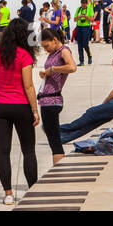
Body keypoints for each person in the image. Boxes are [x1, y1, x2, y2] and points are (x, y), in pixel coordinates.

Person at [0, 18, 40, 205]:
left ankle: (8, 194)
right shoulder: (24, 55)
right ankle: (33, 190)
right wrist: (34, 110)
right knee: (28, 151)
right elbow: (29, 85)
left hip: (0, 107)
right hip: (21, 106)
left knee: (3, 151)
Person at [59, 41, 113, 143]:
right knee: (96, 121)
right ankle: (64, 138)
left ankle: (58, 130)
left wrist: (104, 103)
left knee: (91, 112)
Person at [36, 27, 76, 167]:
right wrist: (46, 73)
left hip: (52, 101)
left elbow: (72, 67)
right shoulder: (54, 52)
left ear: (55, 40)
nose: (46, 49)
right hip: (47, 100)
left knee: (55, 141)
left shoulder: (63, 51)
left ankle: (59, 170)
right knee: (53, 139)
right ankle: (59, 168)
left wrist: (53, 69)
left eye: (46, 46)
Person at [74, 0, 94, 65]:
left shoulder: (90, 9)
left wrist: (86, 17)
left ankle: (89, 55)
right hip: (79, 27)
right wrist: (79, 17)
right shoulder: (78, 9)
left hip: (86, 27)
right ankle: (81, 61)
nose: (83, 6)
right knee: (79, 45)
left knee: (85, 44)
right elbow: (74, 19)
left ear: (87, 4)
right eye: (82, 4)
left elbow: (92, 19)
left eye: (84, 5)